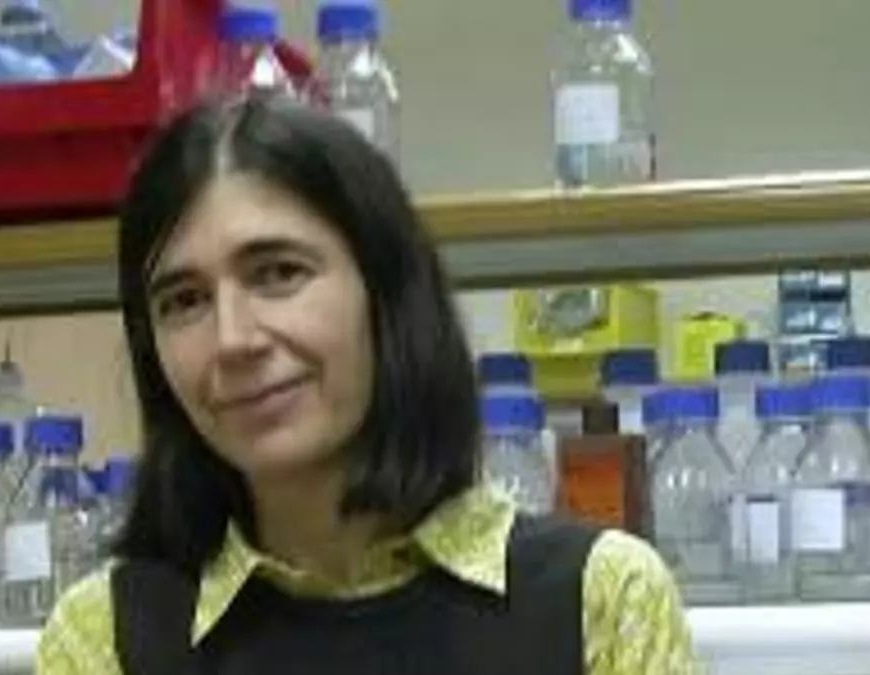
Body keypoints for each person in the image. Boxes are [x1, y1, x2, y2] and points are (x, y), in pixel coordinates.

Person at [35, 96, 700, 675]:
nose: (233, 339)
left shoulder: (598, 602)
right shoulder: (108, 636)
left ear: (387, 294)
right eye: (184, 301)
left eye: (278, 273)